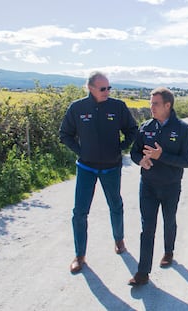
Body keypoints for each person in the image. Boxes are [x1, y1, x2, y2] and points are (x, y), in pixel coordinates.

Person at [59, 71, 137, 274]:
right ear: (90, 88)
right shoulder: (77, 108)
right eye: (103, 88)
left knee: (116, 205)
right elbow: (65, 134)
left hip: (111, 167)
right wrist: (81, 151)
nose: (107, 92)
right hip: (86, 168)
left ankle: (119, 241)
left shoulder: (117, 106)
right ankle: (79, 256)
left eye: (109, 88)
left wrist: (121, 147)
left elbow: (132, 129)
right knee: (79, 213)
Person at [128, 87, 188, 285]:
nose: (151, 107)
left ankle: (168, 252)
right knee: (147, 227)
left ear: (168, 105)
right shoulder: (146, 126)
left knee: (169, 220)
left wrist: (161, 156)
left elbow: (186, 160)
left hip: (171, 185)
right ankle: (142, 272)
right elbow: (134, 153)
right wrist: (141, 160)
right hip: (147, 185)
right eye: (150, 103)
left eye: (155, 103)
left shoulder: (183, 129)